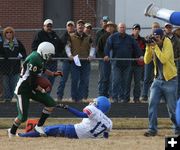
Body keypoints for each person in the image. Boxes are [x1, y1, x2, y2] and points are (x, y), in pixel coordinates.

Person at [7, 42, 63, 138]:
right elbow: (31, 82)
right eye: (49, 55)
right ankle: (11, 132)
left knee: (51, 103)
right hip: (23, 89)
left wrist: (53, 74)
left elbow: (43, 69)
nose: (50, 57)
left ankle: (39, 126)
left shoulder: (39, 57)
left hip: (31, 86)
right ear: (44, 52)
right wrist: (43, 90)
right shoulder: (35, 59)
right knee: (23, 117)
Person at [18, 96, 112, 139]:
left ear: (99, 105)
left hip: (75, 131)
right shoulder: (109, 122)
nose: (92, 103)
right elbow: (105, 136)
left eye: (95, 102)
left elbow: (80, 114)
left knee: (46, 130)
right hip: (83, 135)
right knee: (50, 130)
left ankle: (22, 135)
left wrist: (67, 107)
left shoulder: (93, 110)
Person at [143, 28, 180, 136]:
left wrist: (155, 48)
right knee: (152, 104)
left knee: (172, 109)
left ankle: (178, 129)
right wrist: (148, 47)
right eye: (154, 38)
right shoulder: (153, 45)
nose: (156, 40)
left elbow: (163, 59)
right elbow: (146, 60)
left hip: (170, 80)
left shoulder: (167, 42)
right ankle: (152, 129)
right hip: (157, 80)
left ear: (162, 37)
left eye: (158, 38)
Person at [104, 23, 143, 103]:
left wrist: (140, 56)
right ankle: (114, 97)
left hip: (127, 63)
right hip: (116, 63)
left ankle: (122, 98)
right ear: (118, 28)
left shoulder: (130, 38)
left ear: (125, 29)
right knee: (116, 80)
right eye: (121, 27)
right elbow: (107, 47)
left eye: (123, 27)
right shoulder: (112, 37)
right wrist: (106, 55)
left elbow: (136, 47)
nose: (122, 29)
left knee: (125, 81)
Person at [65, 20, 95, 102]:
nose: (80, 26)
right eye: (79, 25)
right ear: (76, 27)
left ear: (83, 27)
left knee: (84, 80)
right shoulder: (71, 36)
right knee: (75, 79)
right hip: (75, 61)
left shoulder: (88, 37)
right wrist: (69, 55)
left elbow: (92, 47)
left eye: (82, 25)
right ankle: (73, 97)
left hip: (85, 61)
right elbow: (67, 47)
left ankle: (80, 98)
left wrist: (91, 55)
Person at [32, 19, 63, 88]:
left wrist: (56, 55)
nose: (49, 28)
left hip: (53, 62)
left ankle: (47, 95)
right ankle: (42, 95)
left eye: (50, 26)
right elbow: (34, 47)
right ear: (44, 26)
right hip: (43, 62)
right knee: (43, 80)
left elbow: (59, 46)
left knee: (52, 80)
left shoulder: (54, 35)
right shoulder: (39, 34)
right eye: (47, 26)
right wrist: (40, 57)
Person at [0, 26, 27, 102]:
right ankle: (7, 99)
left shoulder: (18, 43)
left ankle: (12, 98)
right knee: (6, 85)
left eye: (10, 32)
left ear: (13, 34)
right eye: (7, 32)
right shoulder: (2, 44)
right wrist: (3, 56)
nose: (9, 34)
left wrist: (20, 55)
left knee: (14, 85)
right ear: (5, 34)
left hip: (15, 68)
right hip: (5, 68)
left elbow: (24, 52)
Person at [125, 24, 146, 103]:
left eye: (138, 29)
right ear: (132, 30)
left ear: (139, 30)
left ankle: (136, 98)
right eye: (135, 29)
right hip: (129, 63)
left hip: (138, 64)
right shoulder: (128, 39)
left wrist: (142, 56)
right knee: (127, 82)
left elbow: (145, 50)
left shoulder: (142, 40)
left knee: (137, 83)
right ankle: (126, 98)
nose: (136, 30)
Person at [141, 22, 160, 101]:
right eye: (154, 27)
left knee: (158, 78)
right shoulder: (148, 37)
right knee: (146, 78)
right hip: (149, 60)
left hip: (158, 60)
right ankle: (144, 95)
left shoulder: (161, 38)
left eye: (157, 27)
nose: (155, 28)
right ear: (151, 28)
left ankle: (157, 96)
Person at [97, 21, 117, 98]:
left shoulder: (117, 37)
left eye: (111, 26)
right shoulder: (102, 37)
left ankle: (112, 95)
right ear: (106, 28)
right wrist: (104, 56)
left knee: (113, 78)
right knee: (104, 78)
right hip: (104, 61)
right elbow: (98, 49)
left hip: (114, 61)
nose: (110, 27)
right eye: (108, 26)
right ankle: (102, 95)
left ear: (113, 28)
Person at [56, 21, 75, 101]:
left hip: (75, 61)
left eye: (71, 26)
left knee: (75, 79)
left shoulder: (77, 36)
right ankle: (59, 96)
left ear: (74, 27)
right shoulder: (63, 37)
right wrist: (64, 57)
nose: (70, 27)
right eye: (69, 26)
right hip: (66, 61)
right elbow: (59, 49)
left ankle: (74, 97)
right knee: (63, 80)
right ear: (66, 27)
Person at [164, 23, 180, 99]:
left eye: (169, 27)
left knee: (175, 81)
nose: (168, 29)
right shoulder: (162, 39)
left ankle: (175, 97)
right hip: (165, 63)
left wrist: (177, 58)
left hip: (174, 63)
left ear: (172, 28)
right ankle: (164, 98)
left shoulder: (177, 39)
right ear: (165, 28)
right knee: (164, 80)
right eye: (167, 27)